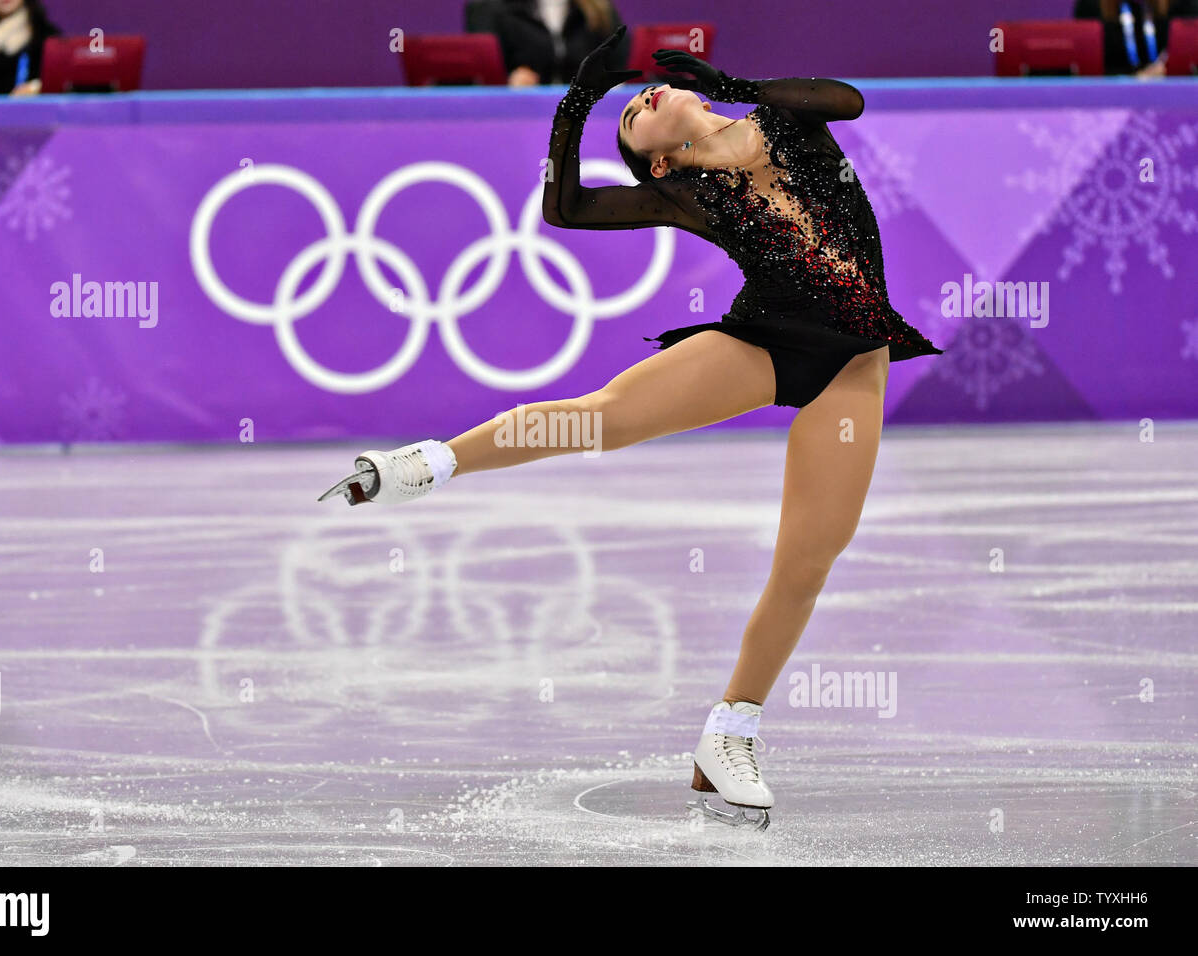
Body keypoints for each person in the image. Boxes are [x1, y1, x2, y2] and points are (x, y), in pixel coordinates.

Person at [321, 26, 944, 829]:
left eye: (639, 95)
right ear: (658, 162)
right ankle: (427, 464)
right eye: (629, 119)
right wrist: (574, 107)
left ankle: (730, 734)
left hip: (856, 360)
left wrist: (736, 79)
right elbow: (565, 205)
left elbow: (845, 98)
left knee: (808, 558)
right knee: (603, 421)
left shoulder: (788, 123)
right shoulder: (683, 192)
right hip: (764, 340)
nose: (640, 99)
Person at [480, 0, 628, 86]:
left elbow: (618, 65)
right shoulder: (497, 9)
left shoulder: (598, 9)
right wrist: (509, 79)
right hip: (524, 110)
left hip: (585, 112)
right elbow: (482, 68)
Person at [1073, 0, 1198, 76]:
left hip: (1169, 93)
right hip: (1114, 96)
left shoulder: (1183, 4)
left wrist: (1164, 69)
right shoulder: (1091, 5)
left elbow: (1189, 51)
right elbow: (1087, 65)